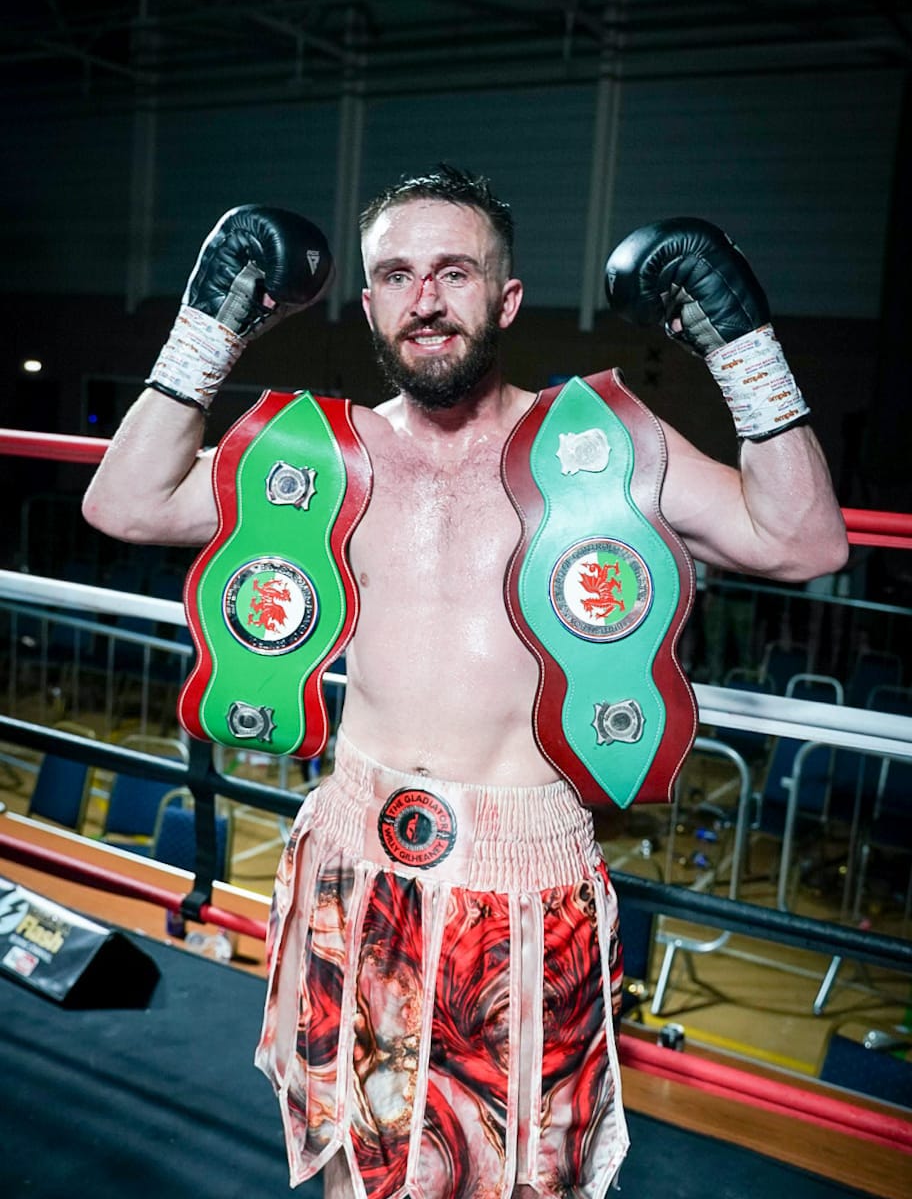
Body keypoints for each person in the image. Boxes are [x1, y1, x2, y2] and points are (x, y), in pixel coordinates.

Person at [82, 167, 849, 1199]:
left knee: (528, 1176)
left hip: (526, 874)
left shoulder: (605, 445)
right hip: (354, 860)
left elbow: (803, 541)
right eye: (397, 275)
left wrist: (739, 343)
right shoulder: (321, 451)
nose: (426, 299)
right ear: (368, 303)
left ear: (507, 297)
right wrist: (210, 325)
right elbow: (124, 504)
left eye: (455, 271)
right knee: (362, 1169)